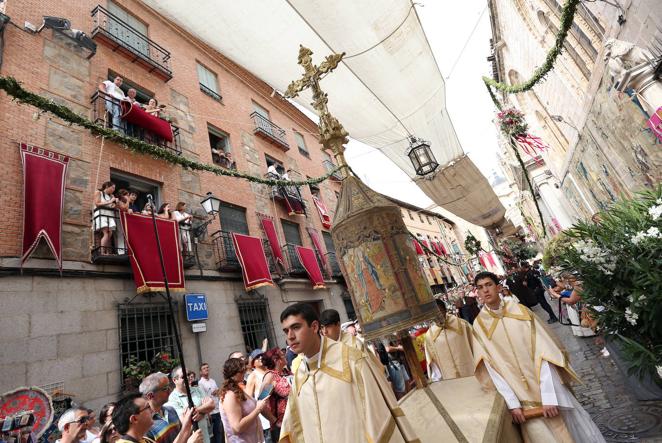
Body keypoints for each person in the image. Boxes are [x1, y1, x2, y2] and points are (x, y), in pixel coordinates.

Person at [472, 271, 605, 442]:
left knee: (573, 433)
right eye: (480, 287)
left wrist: (549, 395)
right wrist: (512, 404)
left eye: (489, 285)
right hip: (522, 402)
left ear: (498, 287)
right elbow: (491, 369)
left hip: (550, 391)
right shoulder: (479, 325)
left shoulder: (521, 312)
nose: (485, 290)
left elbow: (544, 353)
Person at [278, 303, 418, 443]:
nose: (290, 336)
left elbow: (378, 418)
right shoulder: (300, 374)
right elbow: (292, 424)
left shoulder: (352, 360)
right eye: (286, 331)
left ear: (314, 327)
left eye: (296, 327)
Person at [220, 357, 269, 443]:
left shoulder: (238, 389)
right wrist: (258, 409)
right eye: (241, 371)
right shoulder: (229, 395)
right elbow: (237, 428)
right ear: (233, 373)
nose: (244, 373)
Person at [424, 300, 474, 381]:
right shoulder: (430, 336)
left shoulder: (462, 325)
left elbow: (476, 346)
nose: (437, 316)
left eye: (439, 312)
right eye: (433, 314)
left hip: (470, 371)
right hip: (448, 378)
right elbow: (433, 362)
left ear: (445, 310)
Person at [140, 372, 194, 443]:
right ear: (150, 395)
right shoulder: (145, 425)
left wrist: (188, 424)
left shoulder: (171, 410)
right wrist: (186, 429)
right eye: (165, 388)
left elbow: (183, 437)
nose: (170, 390)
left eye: (169, 386)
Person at [167, 367, 215, 443]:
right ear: (174, 380)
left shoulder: (197, 389)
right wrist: (204, 410)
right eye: (183, 376)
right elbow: (185, 422)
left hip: (205, 438)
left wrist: (199, 411)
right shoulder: (173, 398)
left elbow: (212, 405)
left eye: (188, 375)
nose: (187, 378)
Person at [245, 351, 276, 441]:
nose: (260, 358)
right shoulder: (253, 376)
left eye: (262, 356)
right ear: (252, 362)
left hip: (279, 415)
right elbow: (249, 399)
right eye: (257, 357)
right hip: (266, 420)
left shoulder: (270, 371)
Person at [263, 348, 291, 443]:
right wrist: (275, 422)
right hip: (282, 428)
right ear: (276, 360)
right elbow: (261, 404)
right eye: (282, 355)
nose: (285, 356)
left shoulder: (286, 372)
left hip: (295, 422)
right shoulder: (270, 377)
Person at [197, 363, 224, 443]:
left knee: (218, 432)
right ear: (201, 372)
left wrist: (216, 391)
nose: (206, 369)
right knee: (210, 434)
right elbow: (203, 397)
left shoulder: (212, 380)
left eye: (207, 368)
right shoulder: (200, 383)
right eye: (204, 368)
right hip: (210, 412)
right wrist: (207, 413)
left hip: (217, 409)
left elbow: (218, 391)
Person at [93, 181, 118, 254]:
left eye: (114, 188)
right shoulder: (98, 192)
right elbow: (97, 203)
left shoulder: (111, 196)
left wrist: (116, 203)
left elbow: (112, 206)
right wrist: (110, 201)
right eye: (112, 187)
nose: (114, 189)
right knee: (106, 233)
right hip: (102, 214)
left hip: (109, 215)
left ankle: (105, 251)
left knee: (110, 233)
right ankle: (102, 252)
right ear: (107, 186)